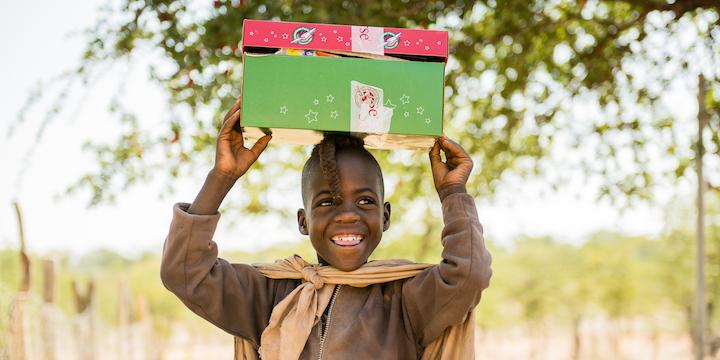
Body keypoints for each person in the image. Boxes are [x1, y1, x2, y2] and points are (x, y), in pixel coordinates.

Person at [160, 95, 492, 359]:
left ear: (386, 216)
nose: (348, 215)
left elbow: (468, 274)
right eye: (327, 202)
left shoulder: (405, 300)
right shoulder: (268, 294)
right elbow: (185, 272)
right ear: (303, 221)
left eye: (364, 201)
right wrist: (222, 178)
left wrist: (453, 192)